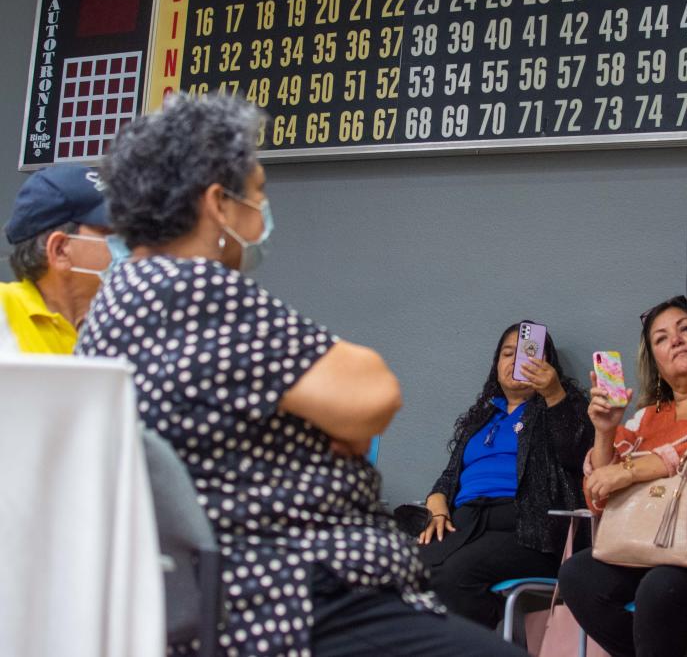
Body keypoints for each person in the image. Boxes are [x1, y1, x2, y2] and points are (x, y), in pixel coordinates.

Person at [76, 94, 525, 657]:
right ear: (218, 203)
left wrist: (325, 417)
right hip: (293, 596)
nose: (262, 211)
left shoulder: (116, 298)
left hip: (208, 595)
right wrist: (327, 423)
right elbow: (373, 395)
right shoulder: (198, 289)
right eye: (258, 193)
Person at [558, 296, 687, 657]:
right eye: (661, 338)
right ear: (654, 360)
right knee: (577, 576)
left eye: (685, 328)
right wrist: (606, 431)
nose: (675, 340)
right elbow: (598, 499)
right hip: (654, 545)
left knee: (659, 589)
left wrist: (631, 470)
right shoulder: (644, 418)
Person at [418, 323, 592, 628]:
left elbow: (577, 453)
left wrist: (553, 394)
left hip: (527, 529)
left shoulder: (557, 406)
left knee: (456, 575)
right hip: (466, 523)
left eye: (527, 353)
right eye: (507, 353)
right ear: (496, 364)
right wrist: (436, 508)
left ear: (547, 364)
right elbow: (448, 477)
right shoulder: (482, 418)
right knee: (401, 568)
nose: (515, 361)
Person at [1, 165, 115, 353]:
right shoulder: (3, 309)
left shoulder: (117, 325)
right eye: (110, 233)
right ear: (60, 250)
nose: (131, 246)